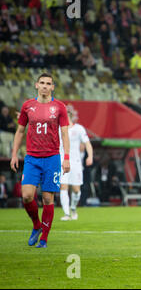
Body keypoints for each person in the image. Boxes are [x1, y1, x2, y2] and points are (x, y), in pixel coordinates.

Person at [10, 73, 70, 248]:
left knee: (47, 199)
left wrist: (66, 157)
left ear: (52, 87)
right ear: (36, 85)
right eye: (42, 83)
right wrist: (14, 154)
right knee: (27, 196)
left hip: (52, 158)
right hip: (32, 158)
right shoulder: (28, 106)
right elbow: (20, 131)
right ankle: (36, 225)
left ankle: (44, 238)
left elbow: (65, 133)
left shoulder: (59, 107)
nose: (45, 86)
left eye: (48, 83)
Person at [59, 109, 93, 221]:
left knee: (76, 190)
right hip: (62, 162)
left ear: (70, 116)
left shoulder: (79, 129)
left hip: (76, 163)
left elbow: (87, 143)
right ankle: (67, 214)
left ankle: (73, 208)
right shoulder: (58, 129)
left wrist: (90, 156)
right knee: (63, 186)